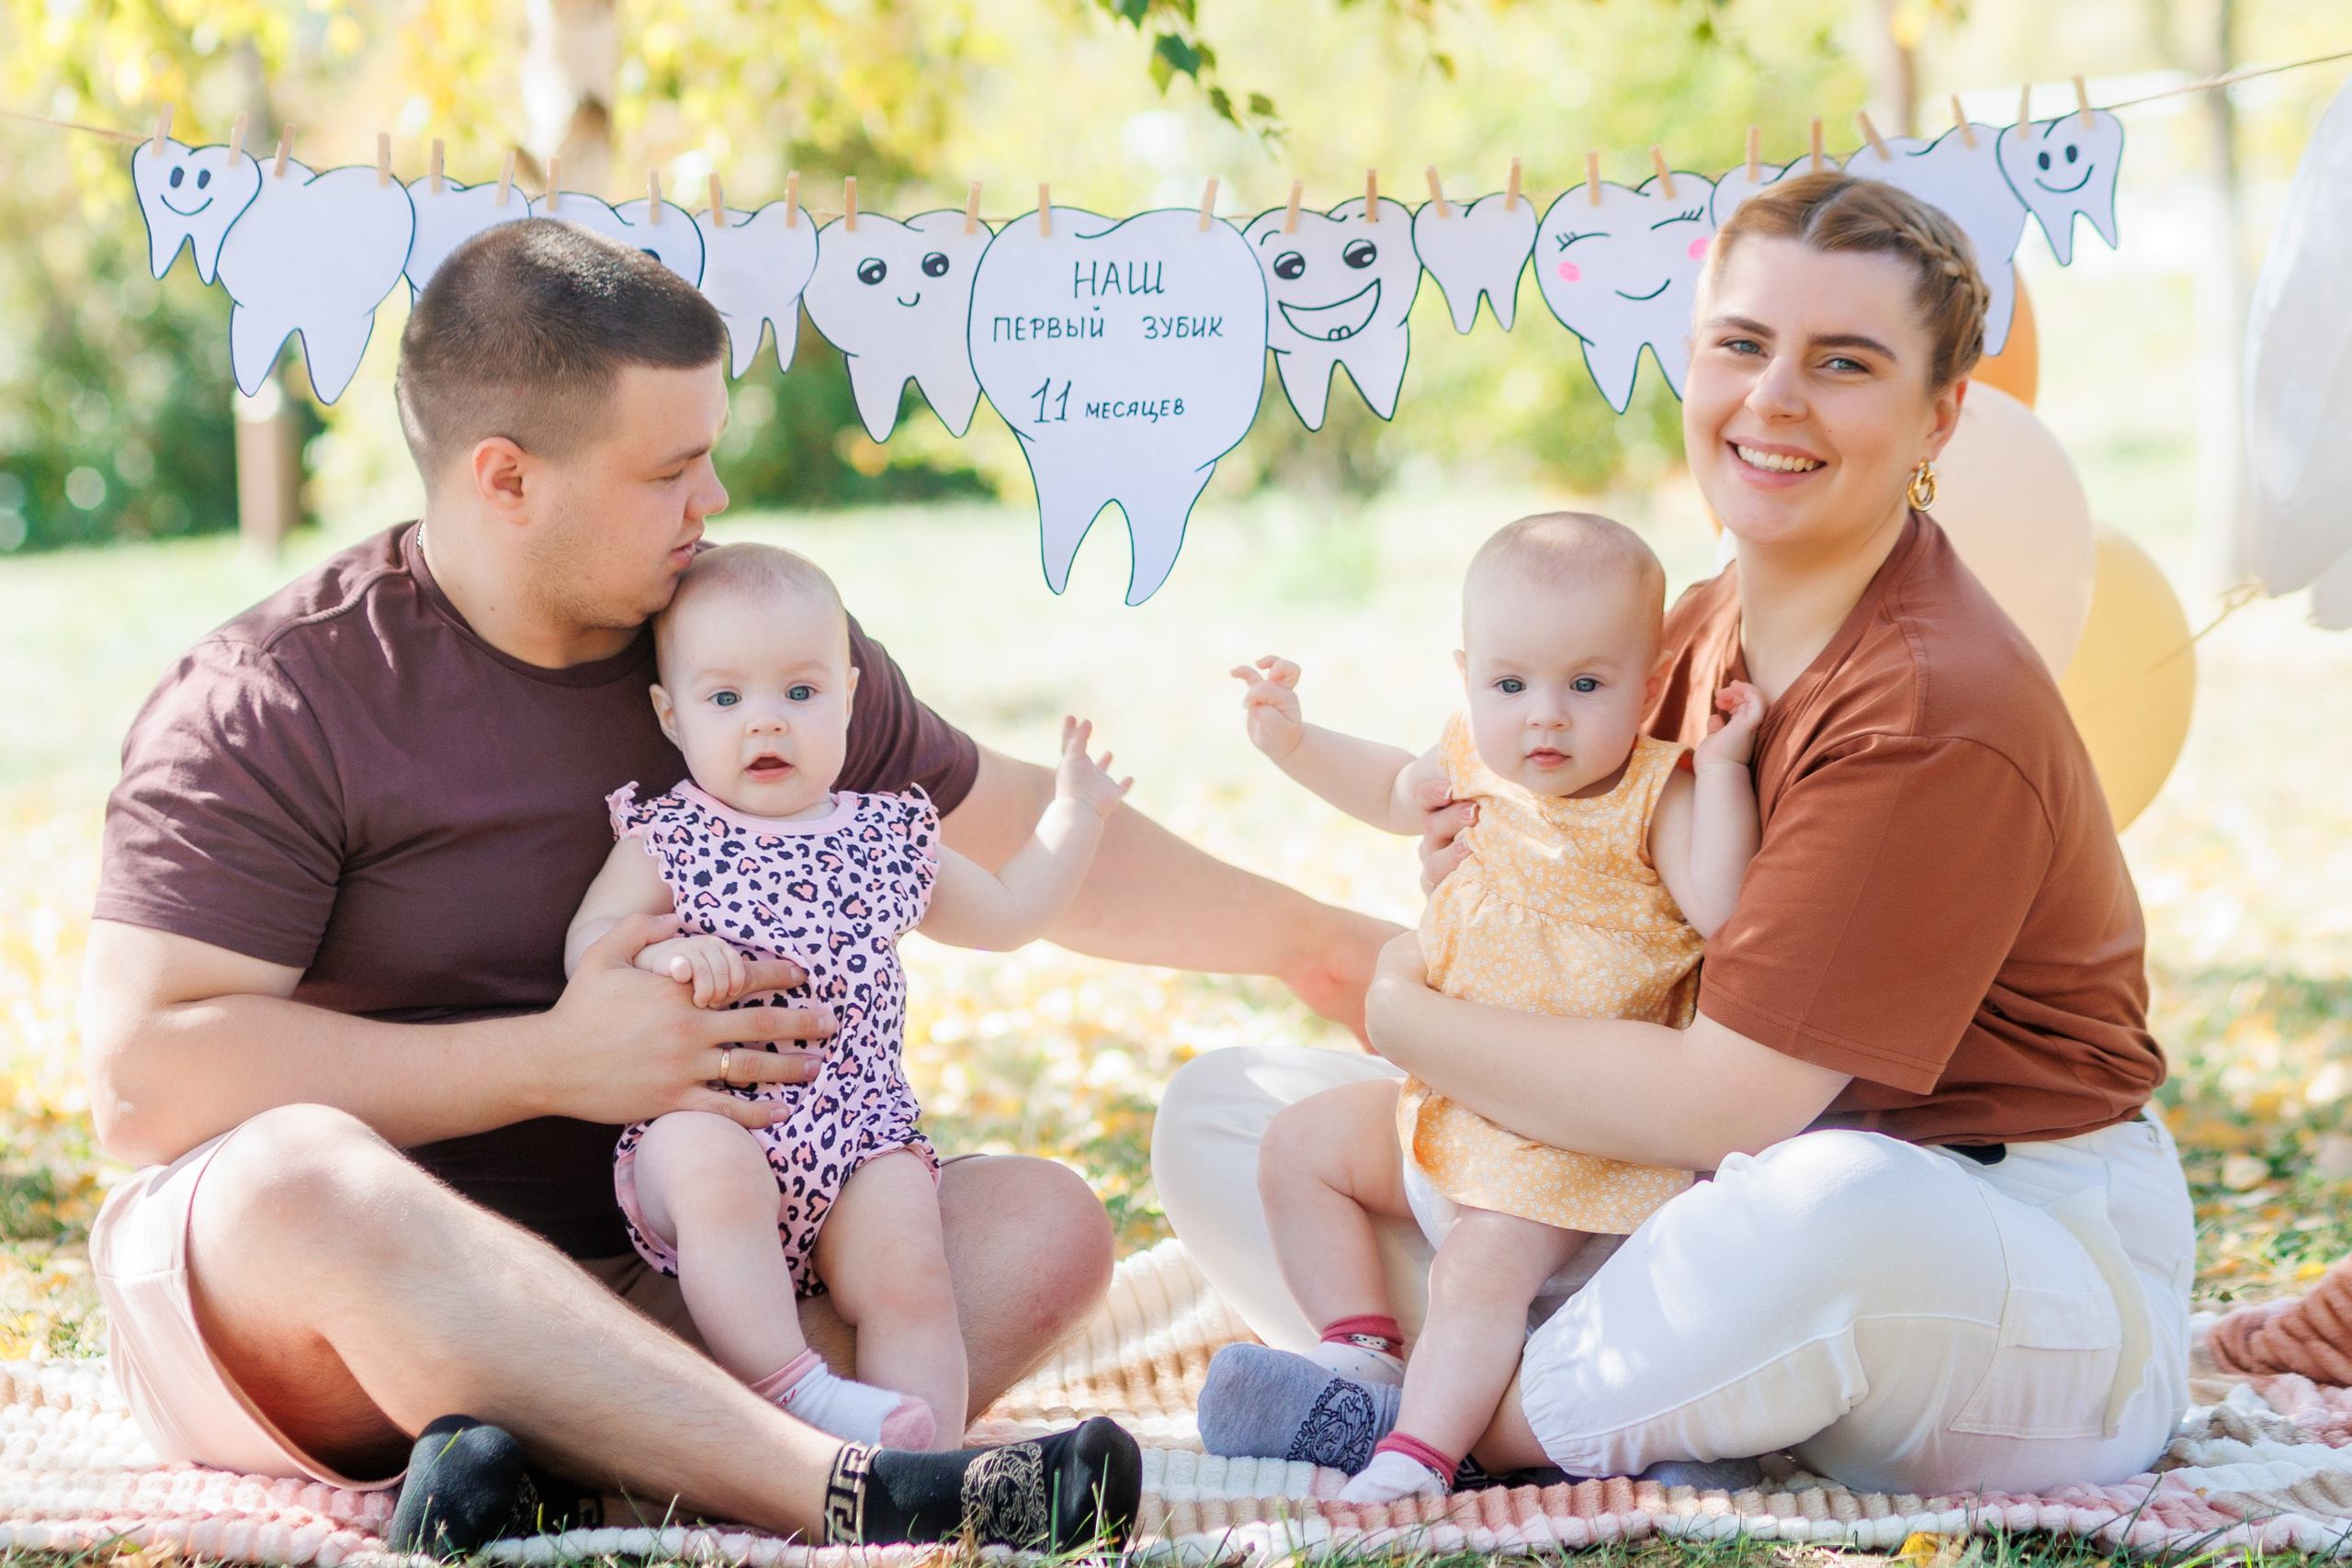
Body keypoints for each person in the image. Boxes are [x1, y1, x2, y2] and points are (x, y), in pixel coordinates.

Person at [76, 219, 1390, 1548]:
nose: (712, 499)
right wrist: (551, 1062)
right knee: (293, 1182)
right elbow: (145, 1077)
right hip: (342, 1314)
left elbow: (1003, 828)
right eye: (671, 470)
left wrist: (1322, 949)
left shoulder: (739, 651)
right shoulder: (275, 698)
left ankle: (549, 1471)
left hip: (679, 1275)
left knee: (1039, 1226)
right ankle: (846, 1489)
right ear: (507, 478)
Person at [1156, 172, 2195, 1498]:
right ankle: (1532, 1393)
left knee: (1827, 1207)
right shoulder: (1683, 629)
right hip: (1682, 1189)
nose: (1775, 398)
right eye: (1742, 344)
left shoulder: (1930, 708)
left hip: (1980, 1237)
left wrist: (1407, 1018)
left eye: (1844, 362)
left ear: (1939, 414)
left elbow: (1729, 1101)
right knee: (1230, 1115)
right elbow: (1571, 875)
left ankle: (1452, 1420)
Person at [1223, 513, 1764, 1503]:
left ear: (1647, 688)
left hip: (1569, 1142)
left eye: (1586, 686)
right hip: (1451, 1102)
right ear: (1468, 676)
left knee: (1476, 1268)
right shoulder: (1471, 761)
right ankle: (1360, 1356)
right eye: (1510, 686)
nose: (1544, 718)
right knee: (1299, 1146)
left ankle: (1418, 1455)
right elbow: (1387, 785)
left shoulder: (1656, 796)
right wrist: (1293, 741)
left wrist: (1724, 771)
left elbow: (1724, 906)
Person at [572, 543, 1130, 1450]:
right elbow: (589, 943)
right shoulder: (667, 838)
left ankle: (924, 1464)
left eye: (800, 692)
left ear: (849, 698)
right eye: (725, 699)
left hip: (860, 1134)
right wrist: (667, 952)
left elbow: (1009, 912)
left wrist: (1076, 815)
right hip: (712, 1116)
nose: (766, 722)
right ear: (671, 716)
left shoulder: (884, 836)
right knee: (713, 1178)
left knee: (911, 1273)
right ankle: (796, 1391)